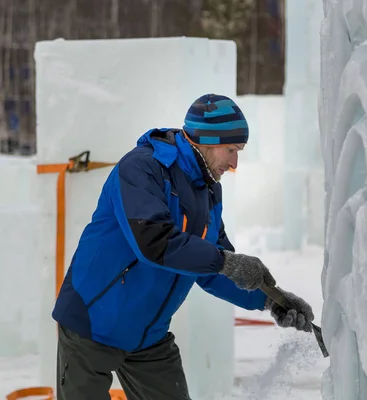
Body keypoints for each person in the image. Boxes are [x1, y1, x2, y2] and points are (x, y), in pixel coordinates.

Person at [52, 94, 315, 400]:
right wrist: (226, 262)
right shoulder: (141, 169)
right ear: (204, 140)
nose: (234, 163)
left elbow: (214, 267)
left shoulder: (208, 190)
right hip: (92, 324)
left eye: (238, 151)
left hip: (148, 335)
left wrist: (272, 299)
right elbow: (154, 242)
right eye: (230, 150)